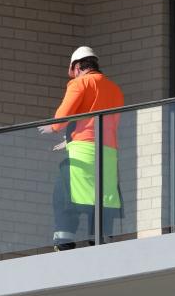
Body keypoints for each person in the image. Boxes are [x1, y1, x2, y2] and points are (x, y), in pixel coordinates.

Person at [39, 47, 124, 250]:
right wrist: (70, 140)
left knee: (64, 193)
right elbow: (107, 122)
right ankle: (100, 238)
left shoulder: (80, 83)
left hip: (84, 152)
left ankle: (64, 241)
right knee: (103, 197)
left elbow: (65, 112)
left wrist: (53, 128)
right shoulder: (114, 89)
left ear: (77, 68)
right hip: (109, 154)